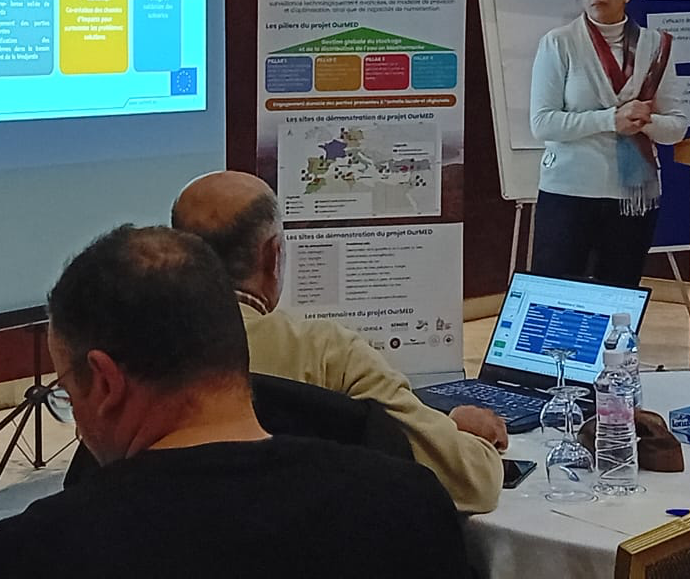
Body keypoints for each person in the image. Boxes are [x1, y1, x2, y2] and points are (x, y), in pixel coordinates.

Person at [0, 226, 470, 578]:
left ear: (106, 382)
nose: (77, 425)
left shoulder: (33, 555)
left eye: (69, 392)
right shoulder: (405, 504)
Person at [171, 171, 505, 514]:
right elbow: (473, 482)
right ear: (274, 255)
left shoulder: (144, 349)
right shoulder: (328, 354)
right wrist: (463, 432)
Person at [529, 0, 687, 286]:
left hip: (632, 198)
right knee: (557, 292)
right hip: (569, 192)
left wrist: (643, 122)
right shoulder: (559, 42)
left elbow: (676, 127)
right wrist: (611, 119)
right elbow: (543, 123)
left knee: (619, 291)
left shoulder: (656, 46)